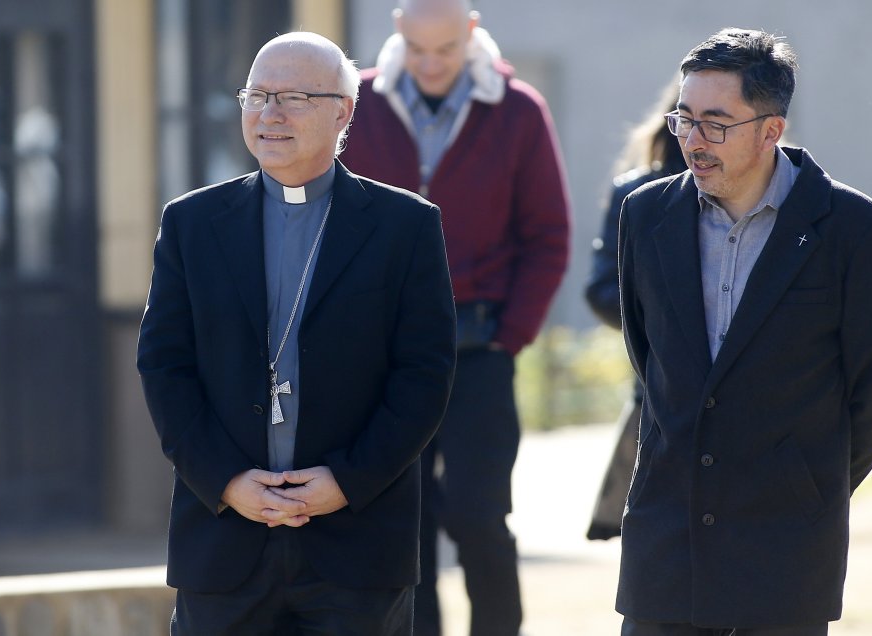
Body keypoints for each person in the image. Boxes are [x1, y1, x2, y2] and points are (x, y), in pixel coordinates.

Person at [137, 31, 457, 636]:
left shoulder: (405, 226)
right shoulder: (192, 223)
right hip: (225, 539)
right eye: (257, 95)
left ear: (344, 110)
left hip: (356, 543)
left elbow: (424, 374)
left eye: (294, 97)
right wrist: (226, 482)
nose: (270, 113)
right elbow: (163, 367)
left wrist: (347, 481)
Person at [617, 28, 872, 635]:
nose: (693, 142)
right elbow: (649, 356)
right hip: (665, 537)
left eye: (716, 124)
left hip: (787, 543)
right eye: (684, 119)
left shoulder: (858, 231)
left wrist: (808, 477)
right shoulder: (644, 214)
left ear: (771, 130)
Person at [342, 1, 571, 634]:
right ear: (399, 36)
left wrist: (510, 336)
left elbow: (548, 235)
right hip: (379, 357)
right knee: (400, 522)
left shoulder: (519, 110)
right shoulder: (354, 105)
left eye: (445, 50)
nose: (432, 64)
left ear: (470, 34)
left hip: (479, 352)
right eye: (419, 50)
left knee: (478, 517)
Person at [585, 78, 687, 541]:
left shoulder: (774, 194)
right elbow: (602, 288)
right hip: (658, 385)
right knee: (655, 532)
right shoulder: (638, 194)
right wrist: (665, 323)